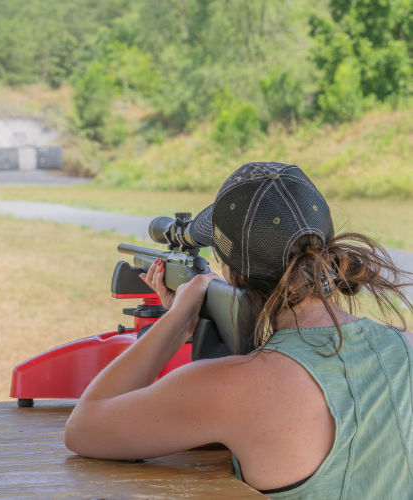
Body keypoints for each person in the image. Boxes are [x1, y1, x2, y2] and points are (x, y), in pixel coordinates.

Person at [65, 162, 413, 498]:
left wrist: (178, 319)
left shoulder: (232, 386)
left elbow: (84, 429)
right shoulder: (405, 346)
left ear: (235, 275)